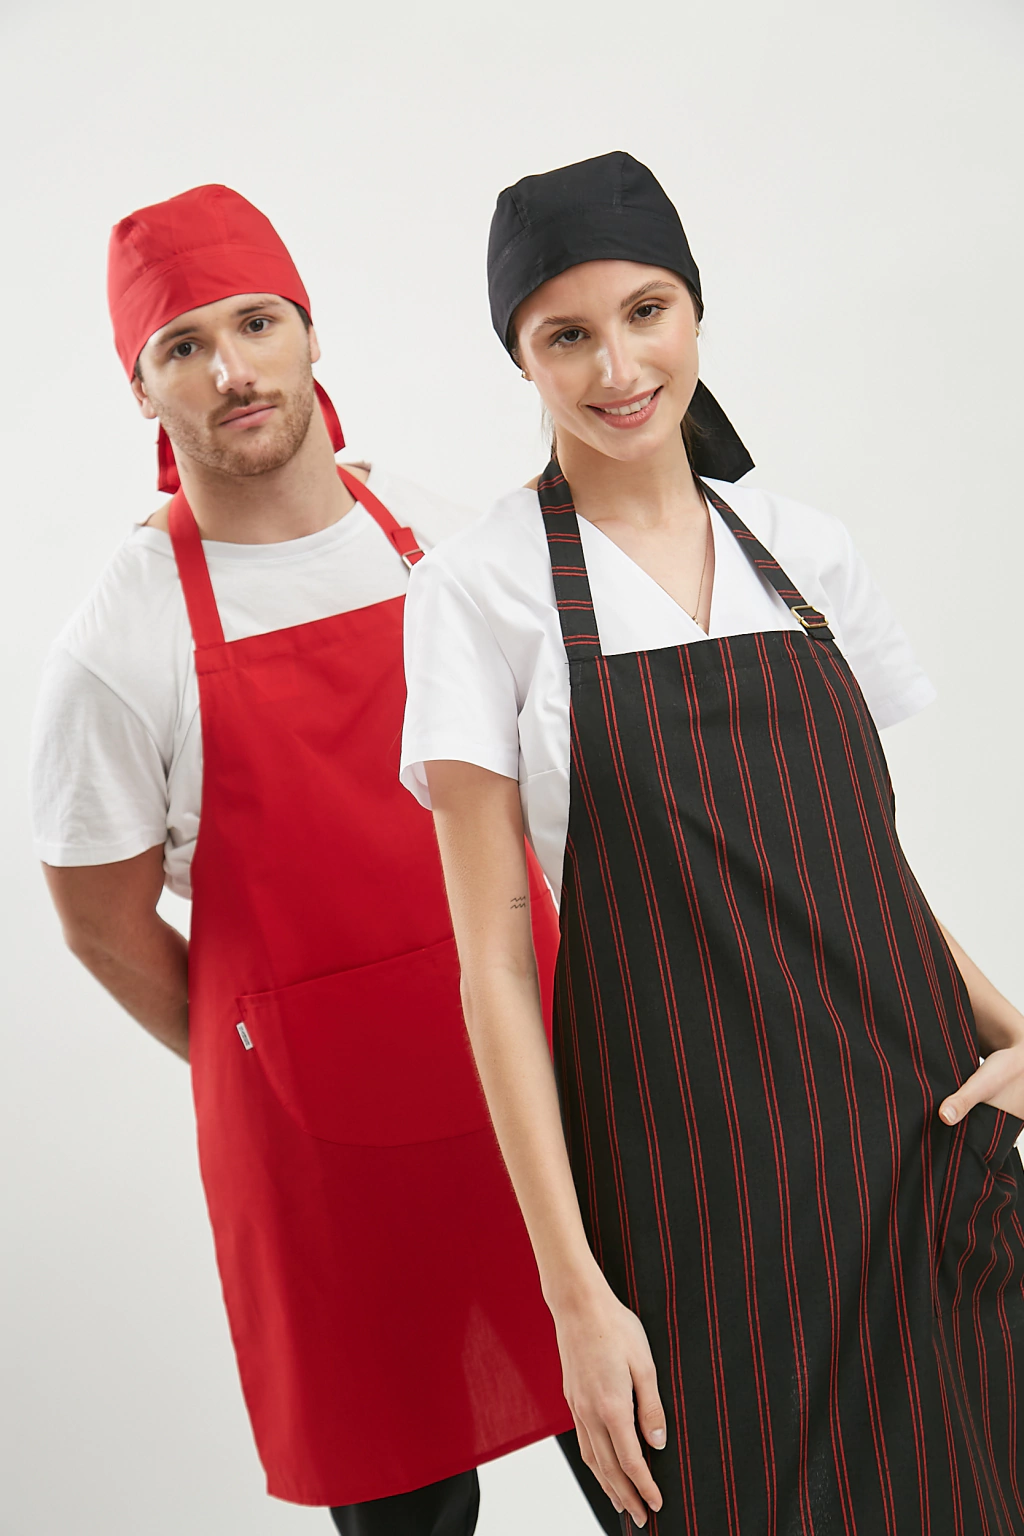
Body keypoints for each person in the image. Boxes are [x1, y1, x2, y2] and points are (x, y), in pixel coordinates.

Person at [400, 150, 1024, 1534]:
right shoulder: (479, 590)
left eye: (648, 311)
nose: (619, 366)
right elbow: (492, 963)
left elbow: (864, 869)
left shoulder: (808, 551)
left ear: (695, 311)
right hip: (691, 1192)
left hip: (916, 1143)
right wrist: (575, 1292)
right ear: (520, 359)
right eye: (567, 334)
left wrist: (1014, 1030)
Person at [30, 183, 618, 1536]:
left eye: (257, 324)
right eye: (183, 346)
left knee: (665, 1467)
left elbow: (557, 792)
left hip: (554, 1085)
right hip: (328, 1167)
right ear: (141, 390)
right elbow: (104, 924)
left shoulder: (437, 538)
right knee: (409, 1513)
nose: (231, 371)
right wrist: (287, 1049)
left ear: (309, 334)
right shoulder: (118, 645)